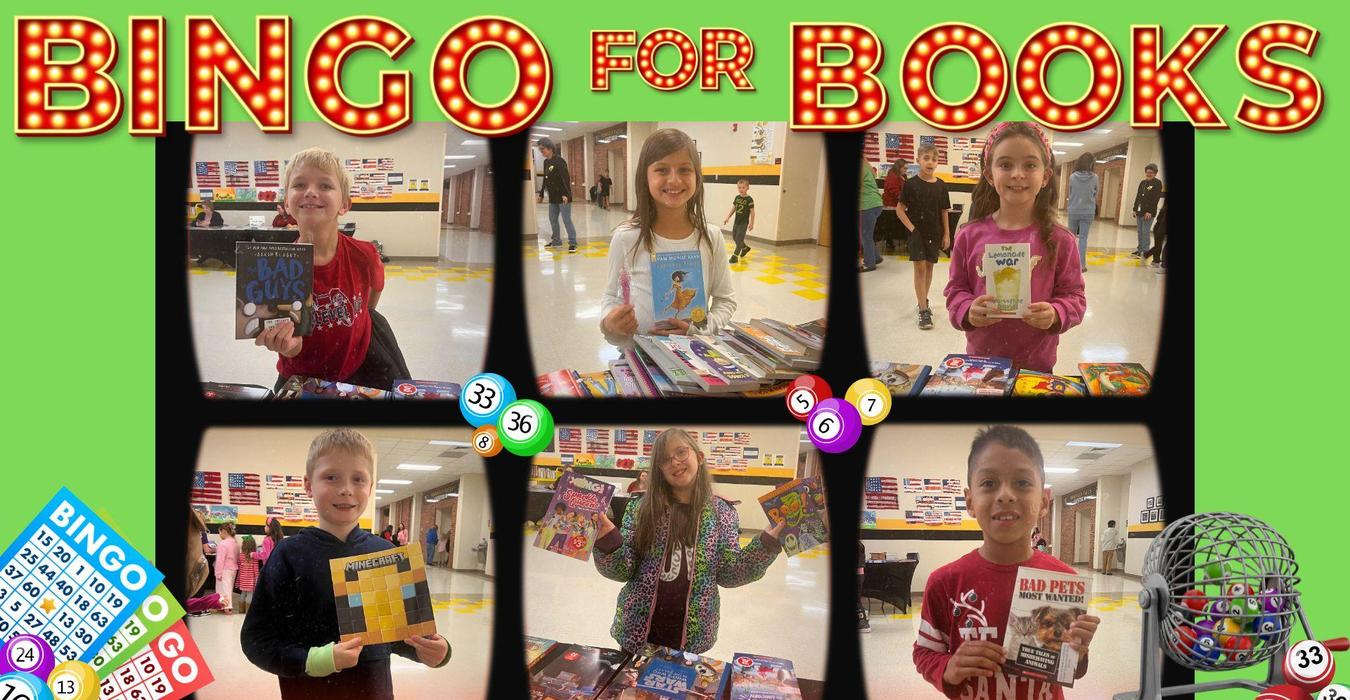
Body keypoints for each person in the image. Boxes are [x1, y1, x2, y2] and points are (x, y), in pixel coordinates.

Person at [241, 429, 450, 700]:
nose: (346, 489)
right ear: (308, 485)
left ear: (370, 487)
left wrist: (433, 651)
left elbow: (396, 633)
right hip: (307, 692)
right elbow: (257, 640)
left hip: (373, 691)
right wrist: (316, 660)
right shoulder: (288, 555)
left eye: (358, 479)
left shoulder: (385, 553)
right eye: (331, 477)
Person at [913, 426, 1100, 699]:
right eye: (988, 483)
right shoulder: (945, 582)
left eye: (1022, 483)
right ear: (970, 501)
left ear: (1044, 501)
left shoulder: (1064, 580)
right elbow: (924, 652)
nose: (1005, 495)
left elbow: (1072, 668)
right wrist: (949, 667)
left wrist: (1079, 653)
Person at [593, 429, 784, 654]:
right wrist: (608, 540)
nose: (674, 462)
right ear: (659, 469)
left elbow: (730, 573)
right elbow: (623, 569)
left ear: (699, 457)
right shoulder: (641, 508)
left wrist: (766, 543)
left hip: (693, 636)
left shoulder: (722, 512)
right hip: (637, 633)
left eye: (681, 452)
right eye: (665, 459)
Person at [254, 147, 410, 392]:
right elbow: (294, 346)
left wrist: (356, 321)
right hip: (304, 375)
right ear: (286, 202)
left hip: (361, 367)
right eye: (299, 185)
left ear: (344, 204)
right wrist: (288, 344)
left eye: (325, 186)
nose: (311, 192)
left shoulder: (365, 254)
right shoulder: (277, 269)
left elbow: (371, 299)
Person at [943, 122, 1087, 373]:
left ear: (1045, 176)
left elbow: (1075, 297)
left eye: (1030, 165)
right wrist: (967, 309)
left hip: (1036, 367)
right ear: (989, 175)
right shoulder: (969, 235)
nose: (1018, 174)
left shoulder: (1061, 239)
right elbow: (955, 290)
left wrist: (1056, 313)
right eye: (1005, 164)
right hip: (982, 364)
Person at [600, 128, 737, 345]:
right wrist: (610, 323)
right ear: (645, 177)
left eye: (684, 170)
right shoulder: (626, 237)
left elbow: (725, 301)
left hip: (695, 356)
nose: (674, 180)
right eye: (662, 170)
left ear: (697, 177)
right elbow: (610, 297)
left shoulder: (711, 237)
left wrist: (700, 328)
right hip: (638, 357)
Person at [897, 145, 952, 329]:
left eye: (934, 159)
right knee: (919, 267)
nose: (930, 162)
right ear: (918, 159)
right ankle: (922, 310)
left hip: (934, 232)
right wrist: (912, 229)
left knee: (929, 267)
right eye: (926, 158)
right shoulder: (910, 184)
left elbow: (944, 211)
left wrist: (947, 234)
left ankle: (923, 300)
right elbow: (900, 210)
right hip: (916, 233)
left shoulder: (941, 185)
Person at [537, 137, 579, 252]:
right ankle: (556, 241)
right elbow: (545, 179)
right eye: (540, 150)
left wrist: (566, 194)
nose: (542, 152)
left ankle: (573, 243)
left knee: (566, 220)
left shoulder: (559, 161)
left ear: (550, 148)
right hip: (553, 197)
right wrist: (541, 194)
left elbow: (565, 178)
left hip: (563, 196)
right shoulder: (546, 162)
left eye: (543, 149)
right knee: (552, 219)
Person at [1066, 153, 1099, 273]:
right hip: (1088, 210)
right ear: (1091, 164)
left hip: (1074, 209)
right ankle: (1081, 265)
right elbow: (1096, 193)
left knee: (1070, 238)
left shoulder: (1073, 176)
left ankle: (1069, 263)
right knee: (1083, 238)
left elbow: (1070, 192)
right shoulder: (1095, 177)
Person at [1131, 163, 1163, 258]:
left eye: (1151, 172)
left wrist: (1149, 211)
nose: (1149, 174)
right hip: (1140, 212)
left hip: (1148, 213)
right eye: (1147, 172)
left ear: (1155, 173)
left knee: (1145, 232)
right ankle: (1140, 250)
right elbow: (1138, 196)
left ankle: (1145, 251)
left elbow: (1155, 199)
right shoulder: (1143, 183)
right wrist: (1134, 209)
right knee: (1140, 231)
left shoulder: (1157, 183)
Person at [858, 160, 884, 273]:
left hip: (867, 204)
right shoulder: (866, 166)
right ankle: (876, 257)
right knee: (866, 234)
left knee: (865, 234)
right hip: (875, 203)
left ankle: (869, 264)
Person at [880, 159, 909, 254]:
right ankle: (890, 244)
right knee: (891, 226)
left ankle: (896, 243)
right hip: (891, 206)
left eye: (907, 168)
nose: (906, 170)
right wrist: (905, 199)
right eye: (904, 168)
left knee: (895, 226)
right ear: (899, 167)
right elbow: (894, 191)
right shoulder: (893, 176)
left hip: (898, 205)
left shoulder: (901, 176)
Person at [723, 178, 755, 263]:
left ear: (747, 188)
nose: (741, 189)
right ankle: (744, 248)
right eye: (739, 187)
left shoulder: (749, 199)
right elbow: (734, 208)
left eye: (743, 187)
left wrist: (751, 223)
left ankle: (735, 256)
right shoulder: (737, 198)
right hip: (736, 222)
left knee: (739, 239)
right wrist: (728, 217)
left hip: (743, 223)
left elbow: (752, 212)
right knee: (735, 237)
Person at [215, 522, 240, 614]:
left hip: (224, 569)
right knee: (229, 588)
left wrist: (218, 573)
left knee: (223, 589)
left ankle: (226, 607)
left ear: (224, 531)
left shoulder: (223, 544)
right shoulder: (235, 543)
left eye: (220, 532)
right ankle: (224, 606)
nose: (220, 535)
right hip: (233, 569)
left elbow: (220, 560)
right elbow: (237, 557)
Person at [238, 535, 260, 613]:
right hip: (250, 580)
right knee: (250, 594)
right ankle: (248, 611)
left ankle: (241, 609)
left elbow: (239, 567)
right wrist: (257, 578)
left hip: (242, 579)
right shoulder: (254, 556)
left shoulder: (240, 556)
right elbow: (256, 570)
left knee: (243, 593)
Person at [1145, 198, 1169, 270]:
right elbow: (1161, 220)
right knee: (1158, 245)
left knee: (1158, 245)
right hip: (1160, 228)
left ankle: (1155, 260)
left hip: (1159, 227)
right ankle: (1159, 263)